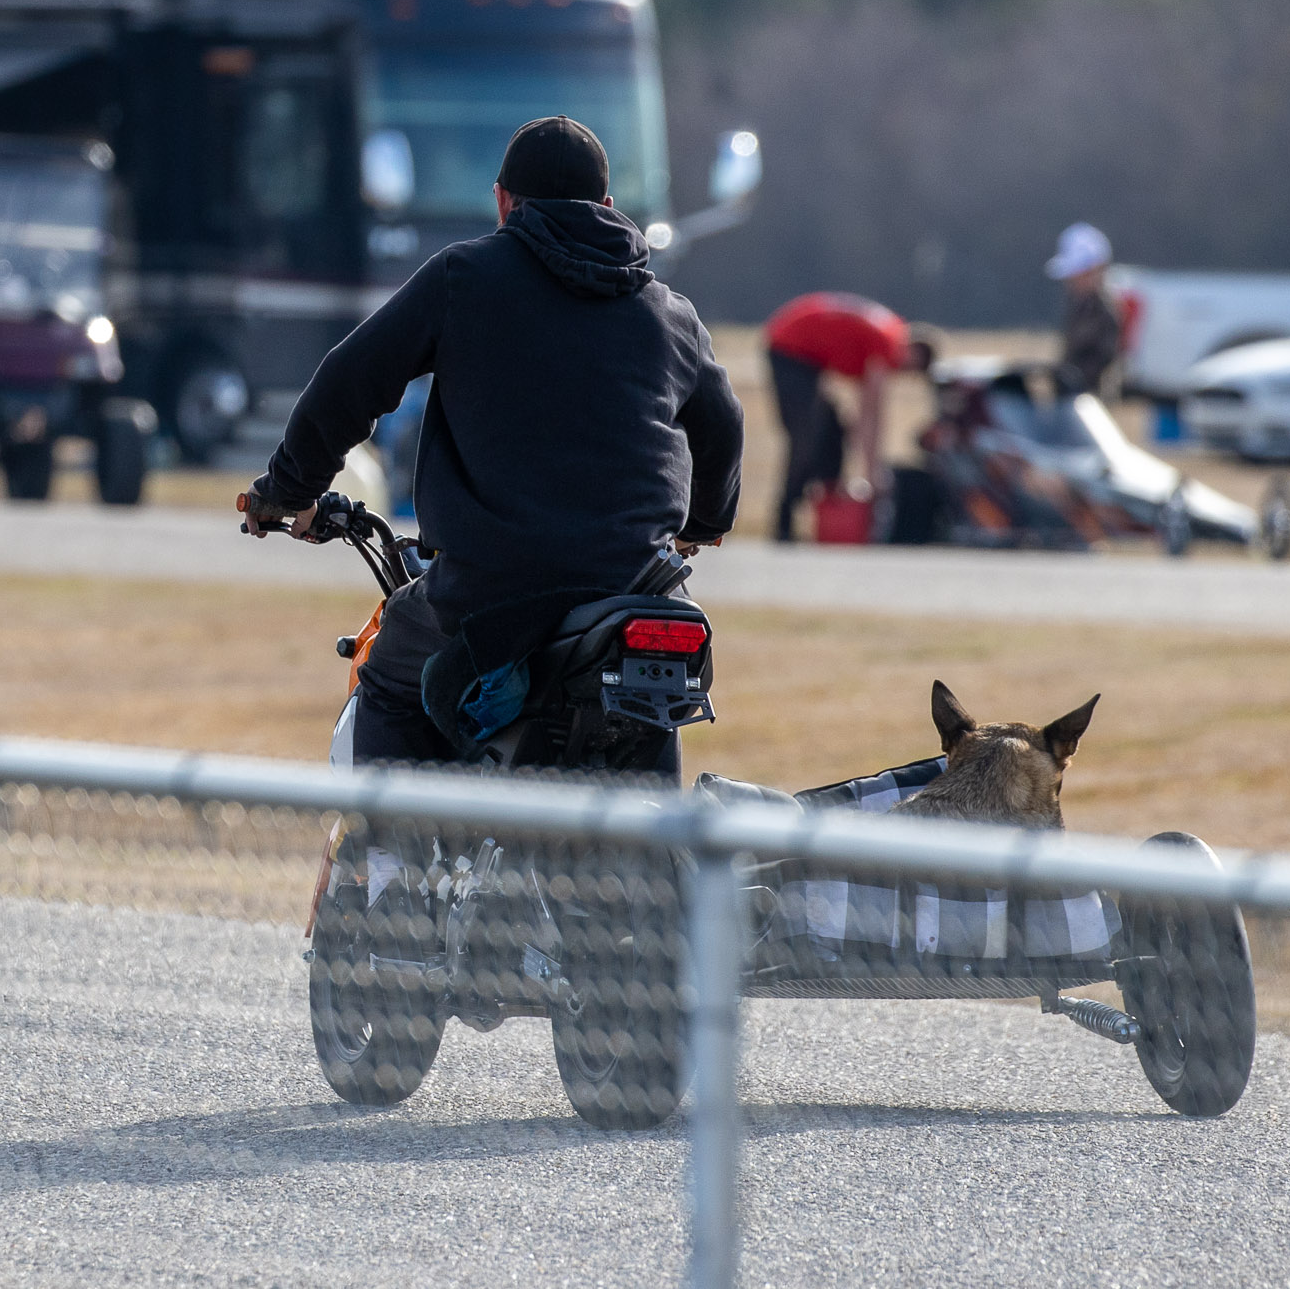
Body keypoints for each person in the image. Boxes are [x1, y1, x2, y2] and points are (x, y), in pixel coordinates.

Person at [242, 116, 743, 947]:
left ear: (505, 202)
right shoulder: (669, 310)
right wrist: (703, 525)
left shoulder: (465, 276)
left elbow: (350, 380)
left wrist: (285, 490)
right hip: (641, 593)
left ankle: (397, 890)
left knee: (390, 676)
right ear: (607, 206)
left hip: (494, 588)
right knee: (649, 712)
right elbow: (722, 425)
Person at [762, 292, 937, 542]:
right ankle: (784, 520)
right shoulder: (888, 344)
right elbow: (871, 415)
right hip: (790, 349)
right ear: (913, 350)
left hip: (807, 358)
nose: (900, 372)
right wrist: (873, 475)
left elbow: (861, 414)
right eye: (909, 367)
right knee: (807, 437)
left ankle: (831, 510)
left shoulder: (886, 329)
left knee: (833, 431)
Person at [1045, 222, 1122, 398]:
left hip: (1093, 400)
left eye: (1080, 274)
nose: (1071, 281)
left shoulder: (1104, 310)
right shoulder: (1077, 306)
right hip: (1071, 398)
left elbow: (1104, 360)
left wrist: (1072, 382)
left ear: (1097, 271)